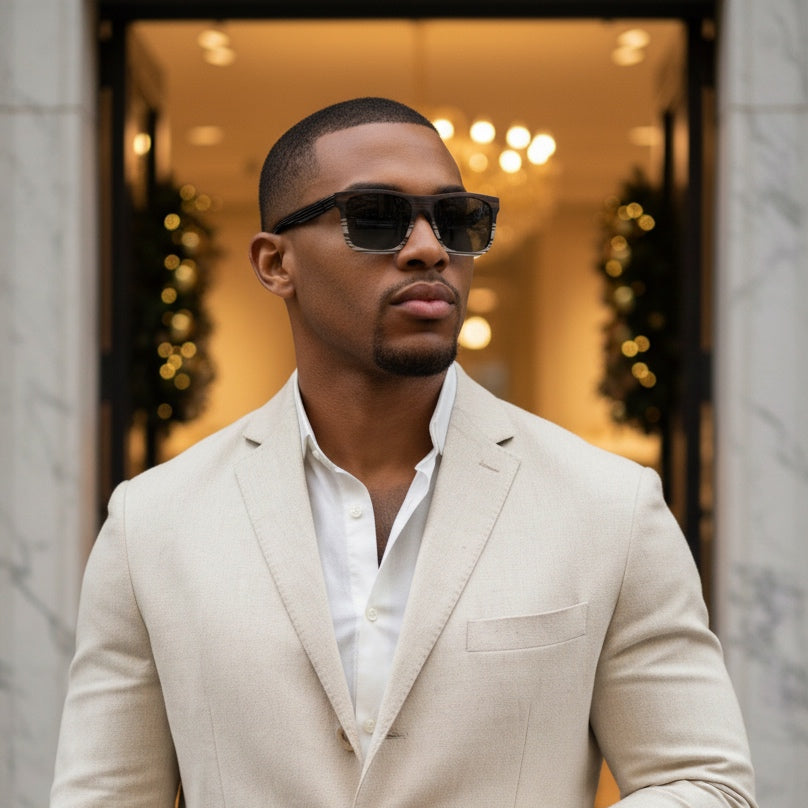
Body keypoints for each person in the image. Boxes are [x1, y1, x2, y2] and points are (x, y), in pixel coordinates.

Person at [51, 97, 756, 808]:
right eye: (377, 218)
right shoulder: (153, 522)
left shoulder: (609, 505)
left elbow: (705, 784)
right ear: (275, 263)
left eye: (458, 221)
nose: (429, 248)